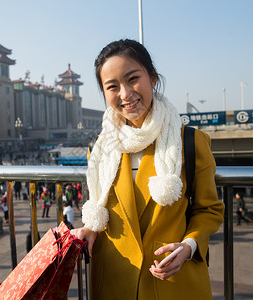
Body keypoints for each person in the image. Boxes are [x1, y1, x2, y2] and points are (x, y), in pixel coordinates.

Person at [70, 39, 224, 299]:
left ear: (152, 78)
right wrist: (90, 229)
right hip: (112, 280)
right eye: (112, 86)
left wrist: (189, 245)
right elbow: (103, 208)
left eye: (132, 79)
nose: (125, 94)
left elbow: (208, 210)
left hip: (172, 281)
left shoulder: (189, 142)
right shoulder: (101, 149)